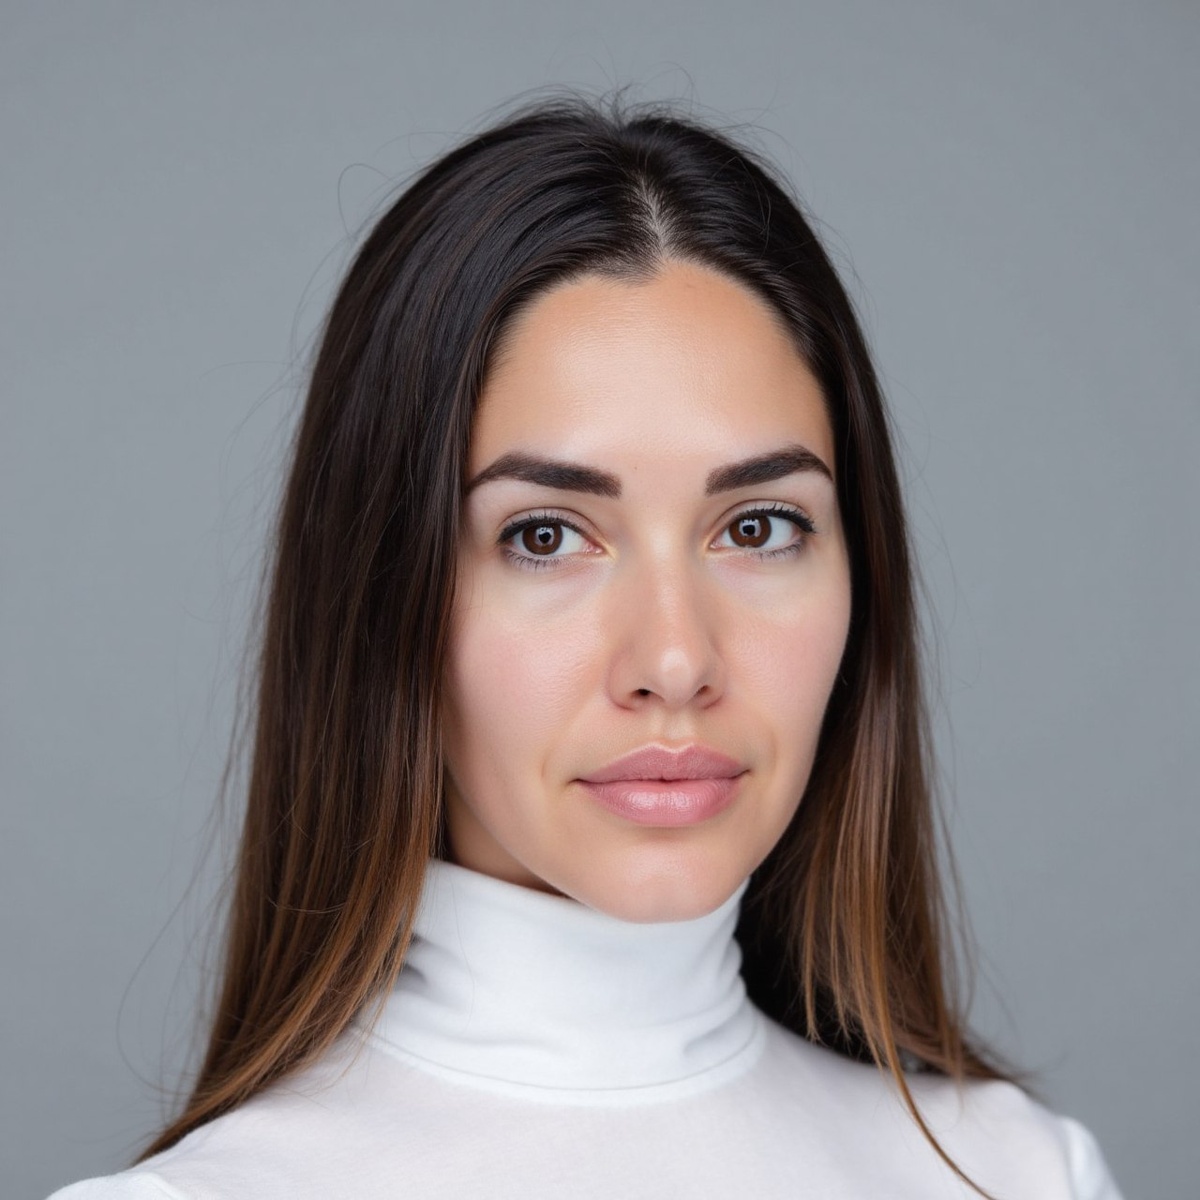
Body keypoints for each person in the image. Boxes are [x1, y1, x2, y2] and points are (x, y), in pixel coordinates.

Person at [50, 93, 1124, 1199]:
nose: (675, 661)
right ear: (381, 600)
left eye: (758, 528)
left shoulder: (1021, 1176)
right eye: (547, 536)